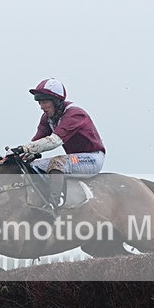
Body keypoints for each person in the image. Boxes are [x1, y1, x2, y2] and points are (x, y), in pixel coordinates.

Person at [13, 78, 106, 214]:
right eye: (39, 102)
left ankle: (52, 205)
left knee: (57, 163)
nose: (41, 106)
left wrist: (25, 148)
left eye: (45, 102)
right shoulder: (46, 118)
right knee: (31, 166)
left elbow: (54, 141)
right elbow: (37, 141)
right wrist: (21, 155)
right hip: (74, 158)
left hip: (92, 158)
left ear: (56, 101)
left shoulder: (75, 114)